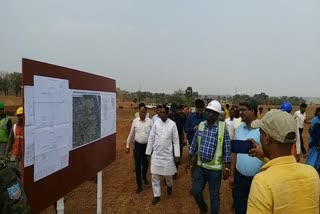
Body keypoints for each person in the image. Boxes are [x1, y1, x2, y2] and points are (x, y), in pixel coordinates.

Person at [247, 110, 319, 213]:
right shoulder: (312, 174)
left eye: (261, 134)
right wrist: (264, 157)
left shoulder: (262, 182)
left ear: (267, 139)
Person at [185, 100, 231, 214]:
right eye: (207, 111)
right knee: (196, 191)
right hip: (200, 167)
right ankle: (203, 208)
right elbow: (195, 142)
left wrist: (227, 168)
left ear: (216, 114)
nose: (208, 113)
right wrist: (189, 158)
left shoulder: (222, 128)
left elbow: (227, 149)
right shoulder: (201, 125)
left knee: (214, 196)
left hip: (215, 171)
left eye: (211, 112)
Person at [229, 98, 263, 214]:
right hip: (239, 179)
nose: (240, 112)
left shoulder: (263, 131)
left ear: (253, 111)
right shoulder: (238, 129)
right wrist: (232, 175)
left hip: (258, 180)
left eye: (243, 110)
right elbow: (234, 153)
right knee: (240, 209)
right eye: (240, 110)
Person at [145, 106, 180, 205]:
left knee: (168, 175)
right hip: (156, 155)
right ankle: (157, 195)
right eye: (160, 112)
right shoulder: (156, 123)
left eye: (164, 112)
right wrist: (148, 152)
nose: (161, 114)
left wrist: (177, 154)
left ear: (167, 113)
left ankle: (169, 185)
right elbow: (151, 138)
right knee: (154, 175)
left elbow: (176, 141)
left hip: (167, 155)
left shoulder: (172, 125)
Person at [126, 103, 153, 193]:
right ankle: (139, 185)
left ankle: (144, 176)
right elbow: (131, 133)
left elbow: (153, 134)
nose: (142, 114)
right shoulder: (135, 121)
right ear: (139, 112)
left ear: (146, 113)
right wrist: (127, 145)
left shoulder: (150, 121)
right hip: (137, 146)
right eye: (141, 112)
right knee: (137, 165)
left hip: (147, 146)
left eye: (144, 112)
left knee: (145, 163)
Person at [185, 99, 207, 193]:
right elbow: (186, 129)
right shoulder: (190, 117)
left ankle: (200, 184)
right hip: (192, 146)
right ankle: (193, 184)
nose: (200, 112)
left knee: (202, 167)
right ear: (195, 108)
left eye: (201, 110)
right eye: (198, 110)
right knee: (194, 166)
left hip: (203, 146)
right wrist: (193, 129)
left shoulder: (206, 118)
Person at [168, 103, 187, 177]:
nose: (173, 112)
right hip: (169, 139)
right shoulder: (168, 117)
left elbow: (184, 128)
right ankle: (169, 172)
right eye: (172, 110)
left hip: (179, 138)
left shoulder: (181, 117)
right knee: (169, 155)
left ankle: (175, 171)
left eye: (174, 111)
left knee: (177, 155)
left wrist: (185, 138)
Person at [306, 107, 320, 173]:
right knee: (313, 156)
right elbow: (316, 134)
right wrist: (318, 143)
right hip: (314, 142)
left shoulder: (316, 120)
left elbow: (310, 130)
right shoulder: (316, 121)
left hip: (314, 141)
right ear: (317, 113)